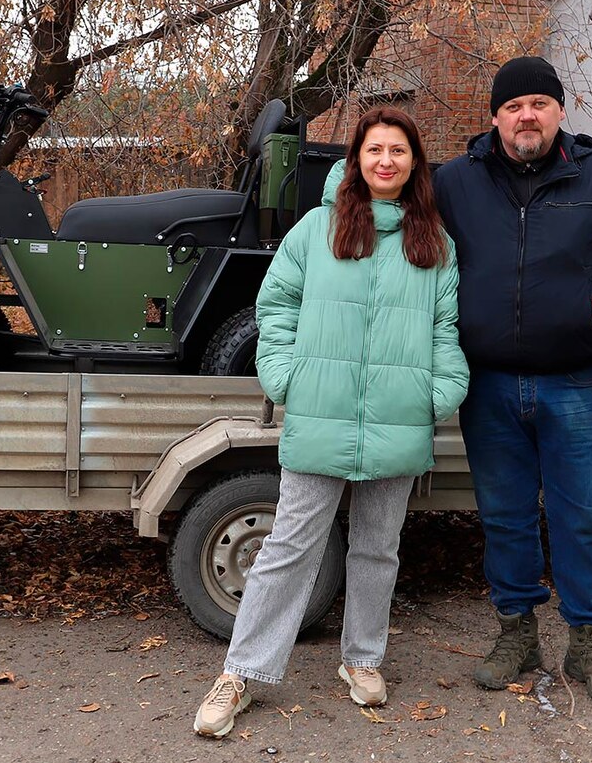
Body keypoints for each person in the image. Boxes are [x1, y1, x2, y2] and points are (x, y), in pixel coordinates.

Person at [193, 107, 468, 739]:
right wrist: (285, 377)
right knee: (288, 549)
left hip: (399, 420)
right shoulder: (317, 230)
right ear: (357, 159)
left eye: (399, 151)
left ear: (414, 164)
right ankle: (242, 673)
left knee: (378, 548)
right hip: (321, 414)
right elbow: (276, 304)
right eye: (375, 150)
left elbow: (444, 331)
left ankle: (363, 660)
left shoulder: (435, 244)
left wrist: (440, 395)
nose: (386, 161)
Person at [432, 56, 592, 707]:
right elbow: (410, 248)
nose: (526, 114)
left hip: (577, 384)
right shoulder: (456, 183)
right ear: (495, 116)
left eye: (538, 102)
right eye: (513, 105)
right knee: (505, 518)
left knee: (582, 516)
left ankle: (589, 642)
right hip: (489, 387)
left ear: (560, 110)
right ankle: (517, 632)